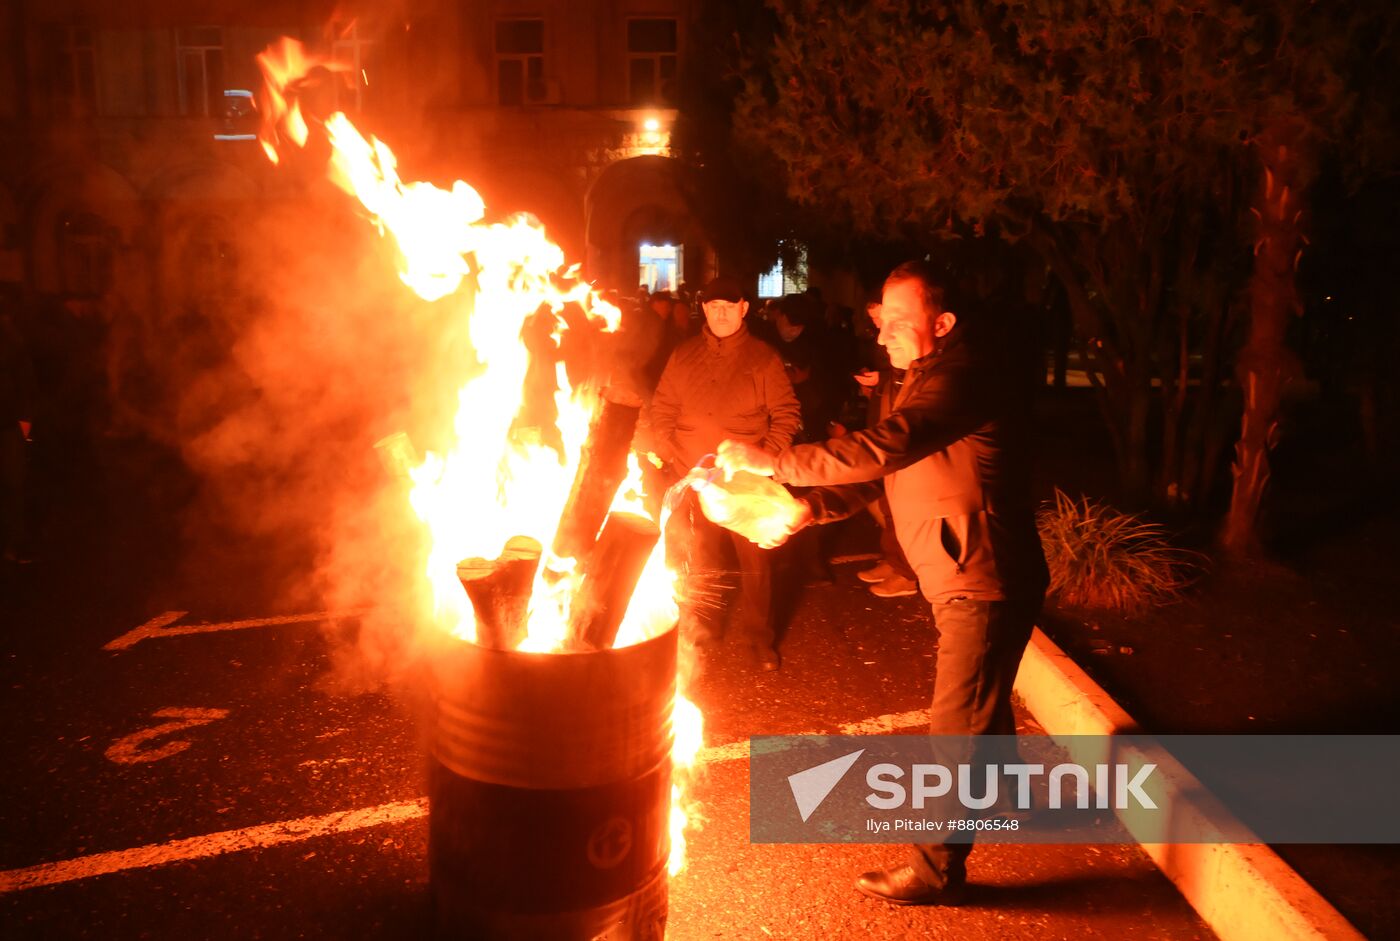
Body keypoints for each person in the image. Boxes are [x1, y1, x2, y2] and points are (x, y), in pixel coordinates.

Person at [716, 260, 1048, 902]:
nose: (885, 334)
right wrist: (808, 508)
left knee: (958, 724)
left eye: (900, 321)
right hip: (958, 569)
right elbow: (880, 473)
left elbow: (886, 446)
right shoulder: (915, 378)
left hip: (983, 578)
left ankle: (935, 871)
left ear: (941, 323)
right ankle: (1006, 799)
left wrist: (778, 461)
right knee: (980, 706)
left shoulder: (964, 377)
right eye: (880, 322)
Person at [643, 275, 801, 670]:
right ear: (705, 311)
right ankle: (706, 624)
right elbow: (662, 407)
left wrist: (765, 458)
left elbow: (786, 414)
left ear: (744, 308)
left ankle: (759, 640)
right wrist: (668, 445)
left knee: (755, 563)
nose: (721, 314)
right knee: (703, 554)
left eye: (729, 307)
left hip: (745, 481)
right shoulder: (684, 354)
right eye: (714, 308)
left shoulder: (763, 357)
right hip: (694, 474)